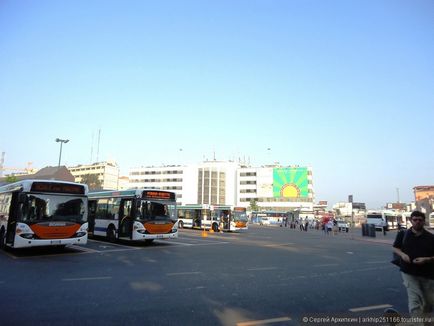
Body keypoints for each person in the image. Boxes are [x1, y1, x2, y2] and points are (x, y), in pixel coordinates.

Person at [392, 210, 434, 317]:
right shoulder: (403, 234)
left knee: (429, 302)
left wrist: (426, 259)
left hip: (427, 274)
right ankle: (417, 321)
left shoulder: (431, 237)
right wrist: (402, 255)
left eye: (420, 220)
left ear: (424, 221)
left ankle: (423, 319)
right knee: (414, 300)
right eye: (415, 220)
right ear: (411, 220)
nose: (417, 222)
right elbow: (395, 248)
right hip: (408, 271)